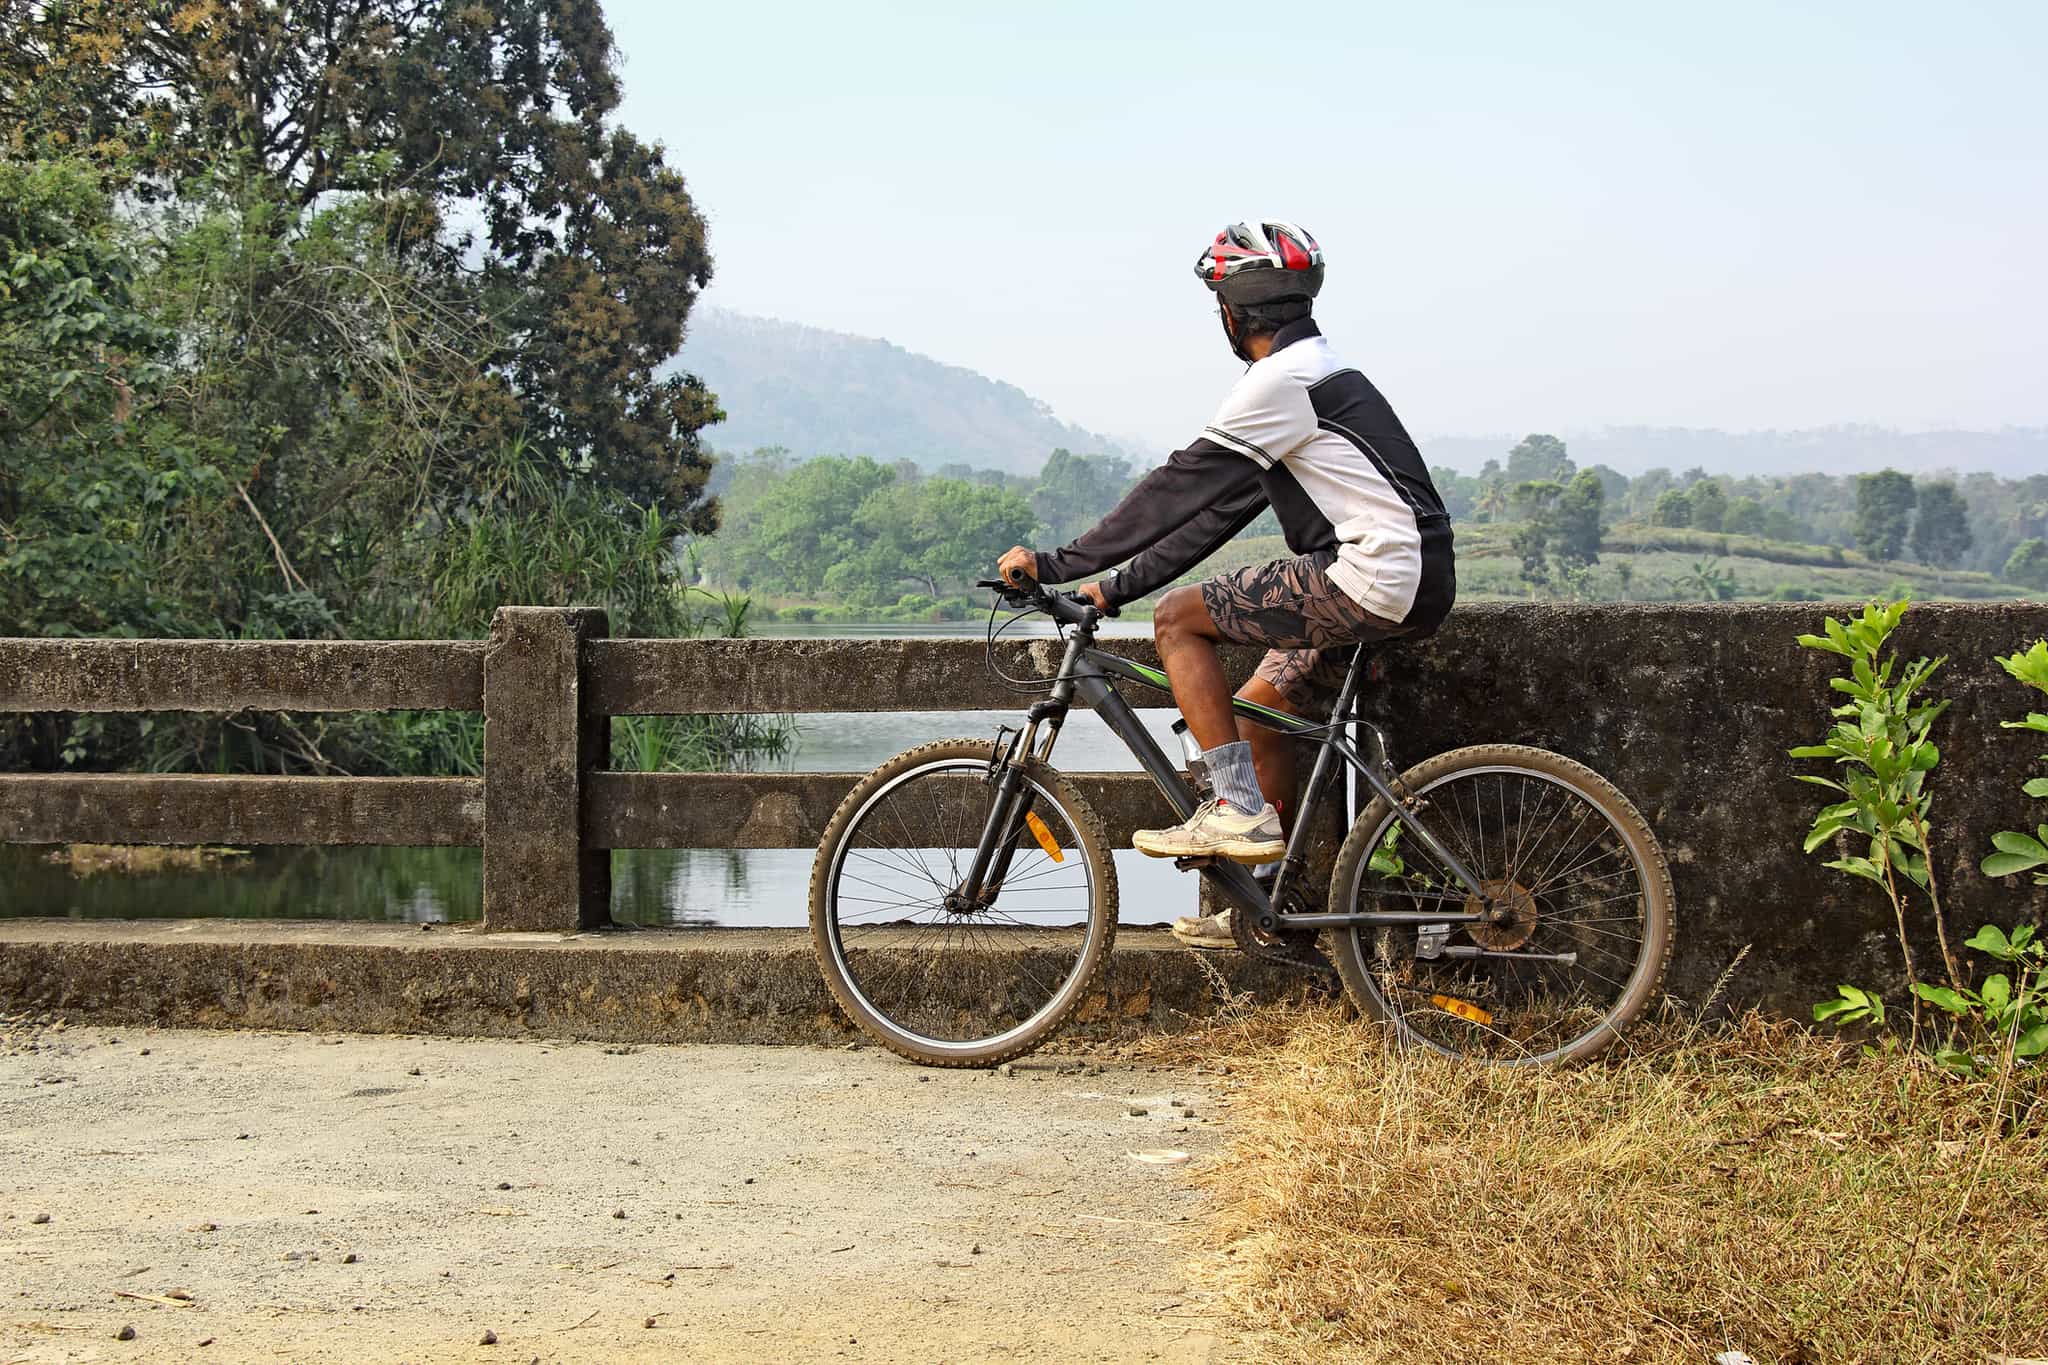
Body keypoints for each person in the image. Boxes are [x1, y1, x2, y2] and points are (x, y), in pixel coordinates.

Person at [997, 219, 1456, 948]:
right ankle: (1265, 912)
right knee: (1258, 712)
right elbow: (1217, 512)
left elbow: (1176, 490)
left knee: (1178, 619)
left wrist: (1057, 563)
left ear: (1231, 313)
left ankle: (1237, 807)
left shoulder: (1279, 383)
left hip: (1368, 576)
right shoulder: (1318, 373)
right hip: (1412, 578)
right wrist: (1112, 587)